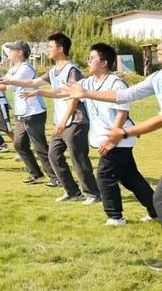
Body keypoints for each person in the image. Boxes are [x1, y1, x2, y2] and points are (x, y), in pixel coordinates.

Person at [50, 43, 155, 225]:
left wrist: (112, 139)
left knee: (105, 176)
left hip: (119, 139)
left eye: (92, 58)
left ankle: (115, 217)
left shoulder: (116, 82)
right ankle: (156, 211)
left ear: (104, 62)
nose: (88, 61)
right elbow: (63, 92)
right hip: (109, 139)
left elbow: (122, 112)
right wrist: (36, 92)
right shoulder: (88, 82)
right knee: (131, 178)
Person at [4, 33, 101, 204]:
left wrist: (64, 121)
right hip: (61, 121)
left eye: (50, 47)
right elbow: (35, 83)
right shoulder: (54, 70)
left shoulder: (72, 70)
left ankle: (93, 194)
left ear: (61, 48)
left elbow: (74, 97)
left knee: (78, 158)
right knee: (53, 155)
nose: (47, 50)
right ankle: (72, 191)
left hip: (76, 121)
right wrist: (18, 84)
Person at [0, 41, 58, 186]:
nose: (9, 53)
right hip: (21, 112)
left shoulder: (26, 68)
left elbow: (9, 85)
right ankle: (36, 174)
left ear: (20, 52)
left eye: (12, 50)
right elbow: (1, 83)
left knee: (40, 146)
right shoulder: (14, 68)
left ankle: (55, 177)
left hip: (34, 112)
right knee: (19, 144)